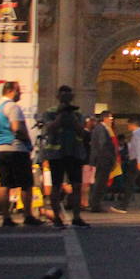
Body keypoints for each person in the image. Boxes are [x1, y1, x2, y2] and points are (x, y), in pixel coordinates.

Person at [0, 83, 40, 227]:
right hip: (15, 148)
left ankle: (6, 217)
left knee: (4, 183)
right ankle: (28, 215)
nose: (21, 94)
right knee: (26, 183)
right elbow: (17, 128)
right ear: (11, 91)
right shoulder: (12, 107)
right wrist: (27, 142)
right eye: (19, 91)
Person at [42, 86, 88, 228]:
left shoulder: (78, 114)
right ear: (57, 97)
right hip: (56, 153)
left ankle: (76, 216)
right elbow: (49, 128)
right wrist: (61, 115)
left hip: (74, 152)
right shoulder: (50, 112)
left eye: (68, 96)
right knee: (56, 186)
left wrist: (72, 118)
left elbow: (83, 133)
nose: (66, 99)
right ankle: (57, 217)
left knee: (76, 185)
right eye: (63, 96)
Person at [114, 116, 140, 214]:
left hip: (137, 160)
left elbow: (139, 148)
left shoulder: (137, 135)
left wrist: (139, 161)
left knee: (129, 182)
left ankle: (123, 206)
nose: (128, 126)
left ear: (133, 124)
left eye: (128, 124)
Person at [87, 110, 119, 214]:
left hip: (102, 159)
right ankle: (96, 204)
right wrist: (109, 158)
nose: (111, 121)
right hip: (103, 160)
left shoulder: (102, 129)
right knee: (100, 183)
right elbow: (102, 145)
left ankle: (95, 203)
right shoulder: (101, 129)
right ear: (105, 118)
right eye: (110, 118)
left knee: (100, 183)